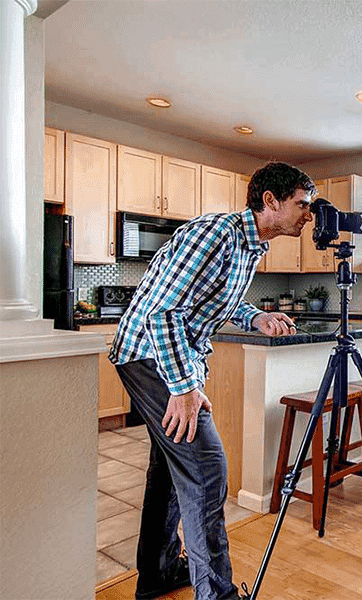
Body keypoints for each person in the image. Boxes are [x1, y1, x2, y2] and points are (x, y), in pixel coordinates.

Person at [110, 162, 316, 600]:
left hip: (162, 355)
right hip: (149, 355)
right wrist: (184, 387)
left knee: (171, 467)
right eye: (302, 204)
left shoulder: (249, 246)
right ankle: (217, 595)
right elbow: (162, 312)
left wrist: (254, 315)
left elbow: (214, 300)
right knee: (207, 468)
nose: (309, 214)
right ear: (271, 201)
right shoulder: (216, 234)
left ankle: (159, 573)